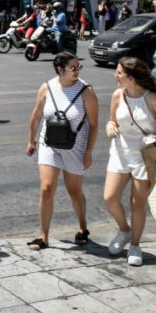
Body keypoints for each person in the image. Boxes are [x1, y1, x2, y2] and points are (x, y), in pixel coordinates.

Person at [103, 57, 156, 266]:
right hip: (120, 152)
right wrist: (109, 125)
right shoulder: (118, 95)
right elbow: (112, 119)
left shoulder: (152, 98)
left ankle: (135, 245)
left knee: (138, 204)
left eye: (119, 73)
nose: (115, 75)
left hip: (143, 155)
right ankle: (124, 230)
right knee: (110, 198)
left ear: (131, 78)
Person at [25, 52, 99, 250]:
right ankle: (43, 236)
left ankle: (83, 227)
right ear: (60, 70)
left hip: (75, 146)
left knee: (73, 190)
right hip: (49, 143)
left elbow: (93, 124)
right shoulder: (47, 88)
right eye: (72, 68)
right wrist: (31, 140)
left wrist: (89, 152)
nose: (77, 71)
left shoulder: (86, 91)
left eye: (78, 67)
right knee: (46, 187)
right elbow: (36, 115)